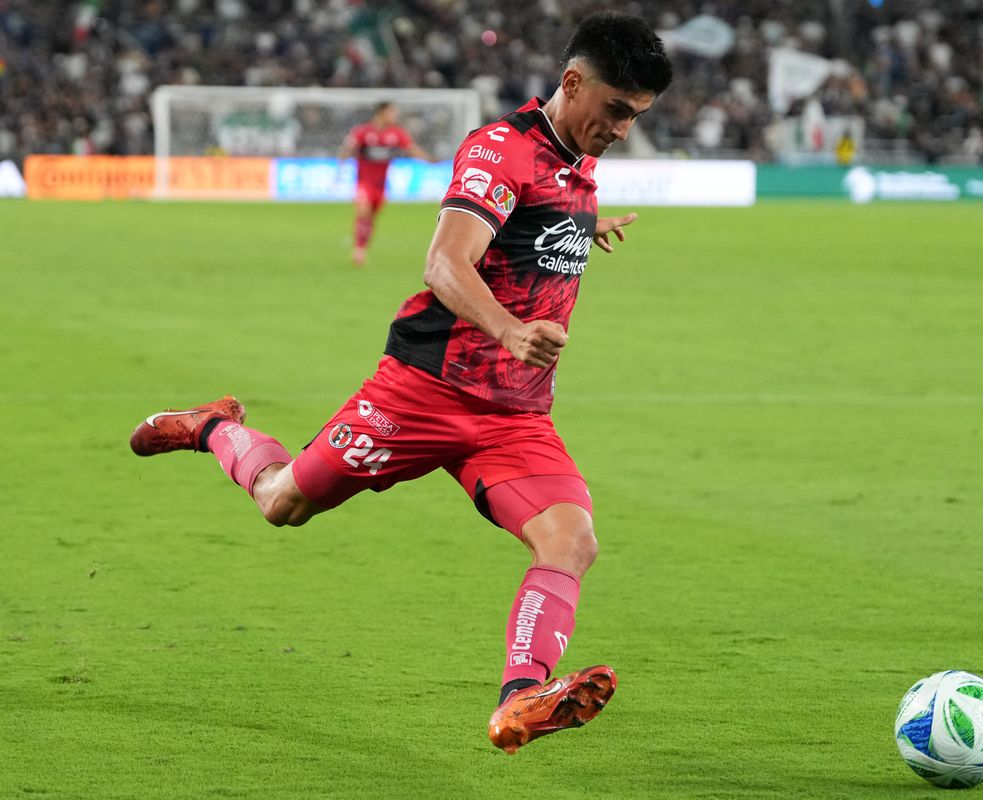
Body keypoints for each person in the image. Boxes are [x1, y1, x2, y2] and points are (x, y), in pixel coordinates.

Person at [129, 13, 672, 755]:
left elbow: (533, 223)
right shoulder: (499, 149)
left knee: (571, 542)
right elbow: (445, 264)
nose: (622, 129)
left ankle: (520, 701)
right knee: (282, 502)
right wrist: (512, 331)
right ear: (572, 82)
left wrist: (586, 227)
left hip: (515, 414)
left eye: (636, 118)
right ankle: (212, 426)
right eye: (615, 110)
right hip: (423, 390)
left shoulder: (576, 164)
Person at [338, 101, 433, 266]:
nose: (395, 116)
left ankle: (362, 246)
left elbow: (412, 149)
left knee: (370, 219)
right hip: (363, 182)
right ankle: (359, 250)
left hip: (381, 186)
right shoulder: (363, 132)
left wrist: (430, 160)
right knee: (363, 211)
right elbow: (348, 148)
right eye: (392, 112)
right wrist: (343, 160)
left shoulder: (397, 133)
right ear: (381, 112)